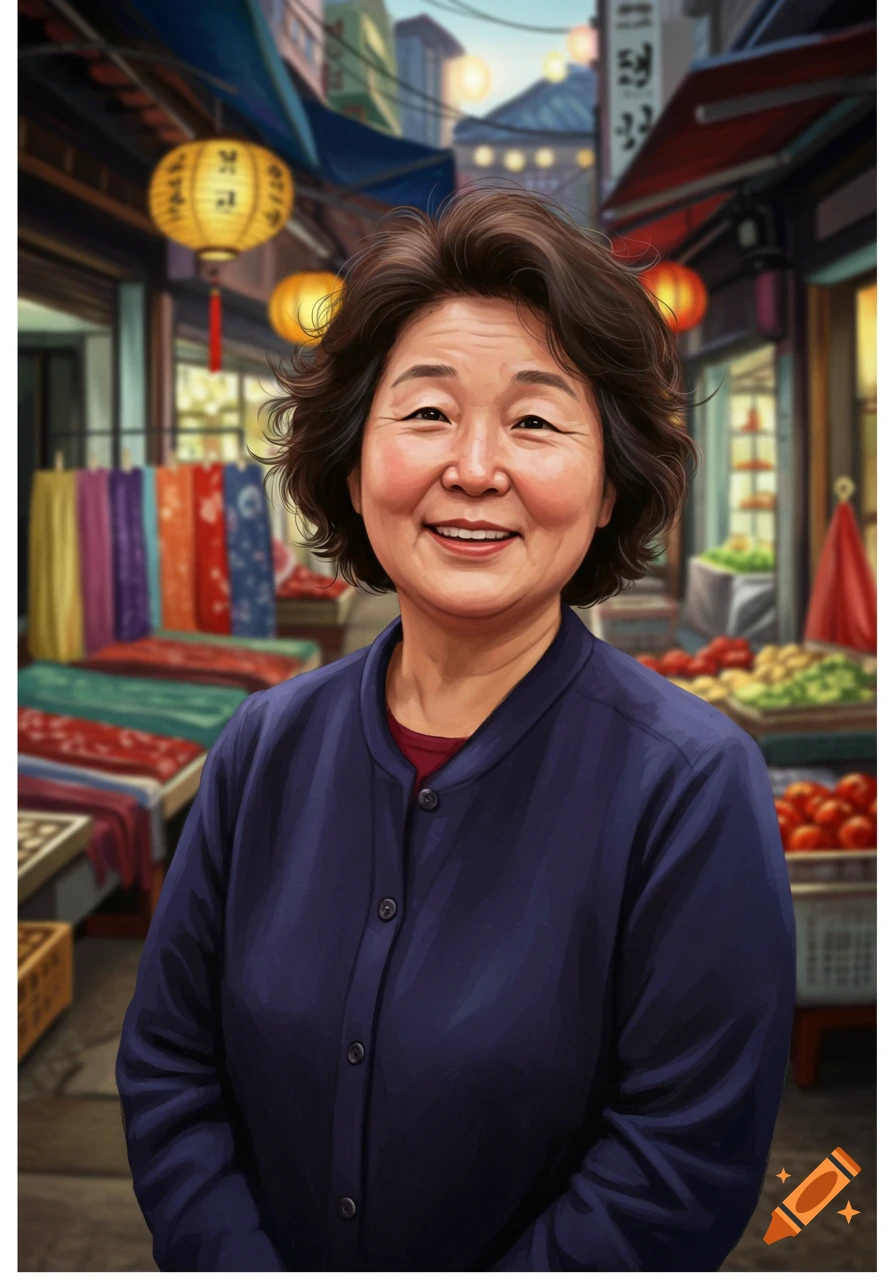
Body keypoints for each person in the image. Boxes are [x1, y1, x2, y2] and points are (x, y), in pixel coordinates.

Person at [117, 188, 796, 1271]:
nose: (474, 468)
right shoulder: (262, 746)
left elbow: (677, 1165)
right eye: (427, 412)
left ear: (609, 484)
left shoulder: (689, 783)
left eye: (534, 421)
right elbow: (168, 1066)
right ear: (353, 462)